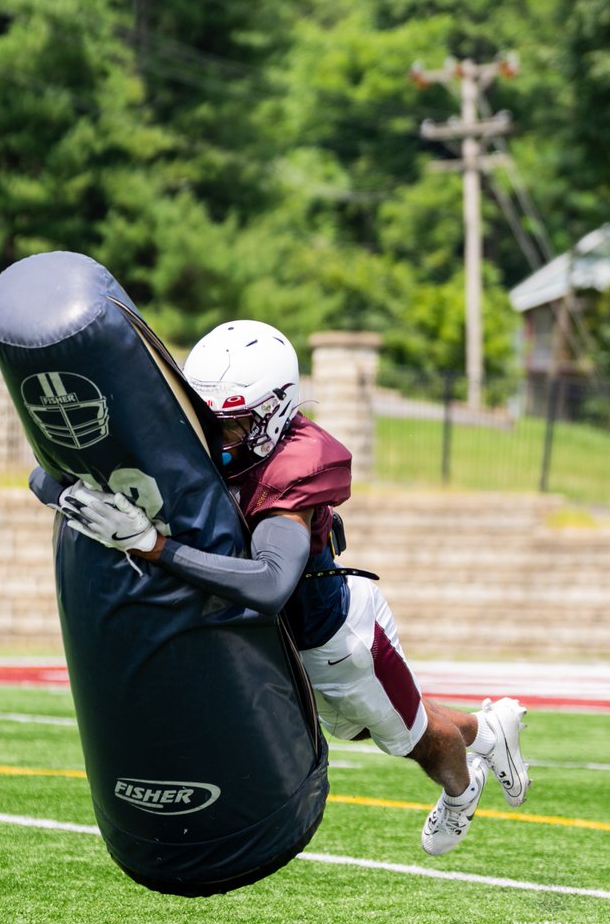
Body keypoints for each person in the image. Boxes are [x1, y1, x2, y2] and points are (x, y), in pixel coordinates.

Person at [32, 319, 530, 856]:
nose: (218, 437)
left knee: (408, 739)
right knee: (363, 724)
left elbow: (270, 583)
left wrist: (152, 544)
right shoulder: (216, 430)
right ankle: (489, 728)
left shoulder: (296, 464)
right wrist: (76, 494)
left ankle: (463, 788)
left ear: (274, 411)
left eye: (233, 424)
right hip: (274, 636)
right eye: (207, 420)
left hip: (332, 641)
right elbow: (44, 475)